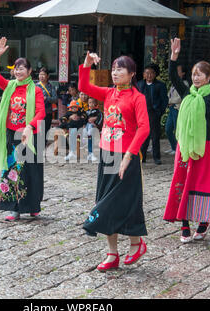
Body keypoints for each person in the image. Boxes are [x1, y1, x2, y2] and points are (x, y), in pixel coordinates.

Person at [80, 52, 150, 272]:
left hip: (127, 157)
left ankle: (136, 243)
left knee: (126, 202)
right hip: (107, 155)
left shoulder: (138, 98)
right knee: (105, 200)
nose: (115, 72)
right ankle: (112, 254)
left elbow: (144, 128)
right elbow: (84, 85)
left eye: (120, 69)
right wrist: (87, 64)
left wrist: (129, 156)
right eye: (113, 68)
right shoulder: (109, 93)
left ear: (131, 74)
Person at [163, 38, 210, 243]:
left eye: (200, 75)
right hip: (185, 145)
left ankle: (203, 222)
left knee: (204, 184)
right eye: (193, 74)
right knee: (182, 180)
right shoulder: (187, 93)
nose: (196, 78)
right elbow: (173, 77)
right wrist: (173, 57)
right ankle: (184, 224)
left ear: (209, 77)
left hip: (206, 146)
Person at [0, 37, 46, 221]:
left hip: (30, 136)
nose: (18, 70)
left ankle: (33, 206)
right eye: (16, 68)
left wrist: (29, 126)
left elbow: (41, 112)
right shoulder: (10, 86)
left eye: (22, 67)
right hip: (12, 135)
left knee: (32, 172)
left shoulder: (35, 90)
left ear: (29, 71)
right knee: (13, 169)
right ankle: (14, 208)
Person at [137, 64, 168, 165]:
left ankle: (156, 157)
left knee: (155, 136)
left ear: (155, 74)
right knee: (143, 135)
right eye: (147, 73)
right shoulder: (139, 84)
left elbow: (164, 100)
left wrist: (159, 112)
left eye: (151, 73)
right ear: (143, 74)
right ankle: (143, 156)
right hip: (142, 113)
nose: (149, 75)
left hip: (154, 113)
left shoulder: (160, 85)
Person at [165, 64, 189, 155]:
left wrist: (171, 101)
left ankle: (179, 149)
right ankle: (174, 147)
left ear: (183, 73)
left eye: (178, 71)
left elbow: (181, 97)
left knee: (177, 129)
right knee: (168, 129)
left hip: (177, 108)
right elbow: (169, 94)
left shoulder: (184, 84)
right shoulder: (173, 84)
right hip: (172, 108)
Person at [35, 67, 57, 143]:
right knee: (37, 131)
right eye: (40, 74)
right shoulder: (35, 86)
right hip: (36, 112)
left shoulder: (51, 87)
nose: (41, 76)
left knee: (45, 131)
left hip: (47, 113)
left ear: (47, 76)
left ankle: (42, 148)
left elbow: (55, 99)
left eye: (43, 74)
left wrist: (46, 98)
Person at [84, 96, 103, 162]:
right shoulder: (87, 112)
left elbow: (100, 118)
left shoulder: (98, 111)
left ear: (95, 103)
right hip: (87, 127)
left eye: (92, 102)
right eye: (89, 102)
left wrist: (96, 124)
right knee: (86, 132)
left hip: (95, 128)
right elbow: (84, 119)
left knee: (90, 135)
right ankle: (89, 153)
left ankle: (91, 153)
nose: (91, 104)